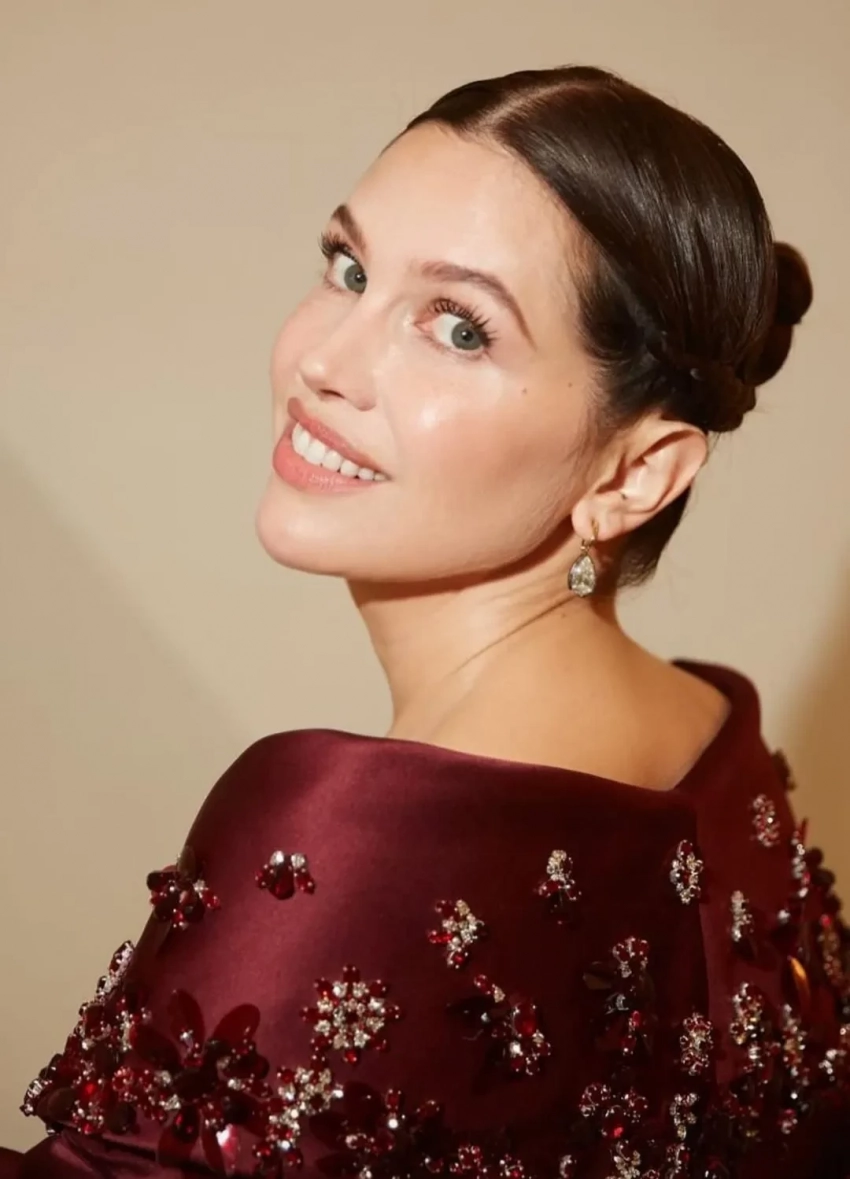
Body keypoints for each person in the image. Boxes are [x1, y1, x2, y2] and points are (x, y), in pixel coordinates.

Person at [4, 63, 848, 1179]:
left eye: (458, 329)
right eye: (349, 269)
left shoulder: (355, 831)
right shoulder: (712, 738)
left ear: (635, 472)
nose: (323, 362)